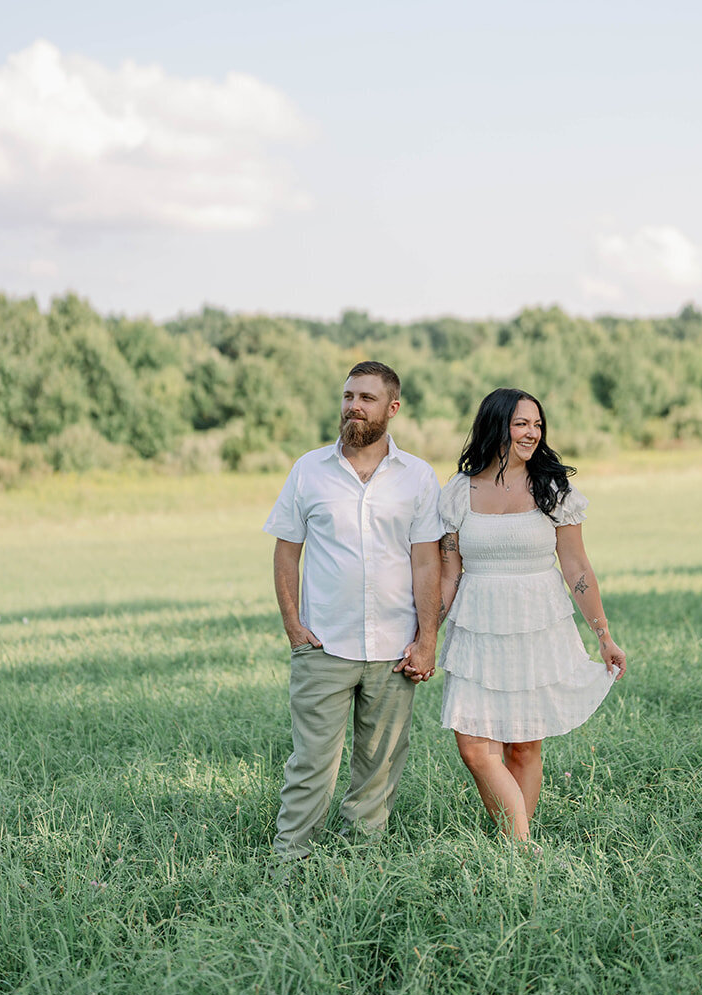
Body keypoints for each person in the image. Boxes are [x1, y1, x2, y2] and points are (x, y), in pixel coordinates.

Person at [264, 361, 443, 858]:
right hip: (324, 643)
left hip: (394, 649)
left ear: (392, 407)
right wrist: (293, 626)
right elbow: (286, 552)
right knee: (310, 764)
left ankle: (358, 861)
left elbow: (427, 562)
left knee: (379, 767)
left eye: (366, 398)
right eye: (348, 396)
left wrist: (427, 640)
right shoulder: (309, 470)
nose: (353, 406)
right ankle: (290, 861)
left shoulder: (417, 477)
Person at [437, 387, 626, 844]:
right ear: (496, 425)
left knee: (523, 745)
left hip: (536, 624)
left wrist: (603, 636)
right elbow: (448, 574)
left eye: (537, 424)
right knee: (475, 748)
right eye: (521, 423)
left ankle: (515, 852)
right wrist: (424, 635)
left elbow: (577, 567)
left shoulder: (553, 489)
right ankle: (522, 849)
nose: (532, 433)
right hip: (478, 628)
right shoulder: (459, 492)